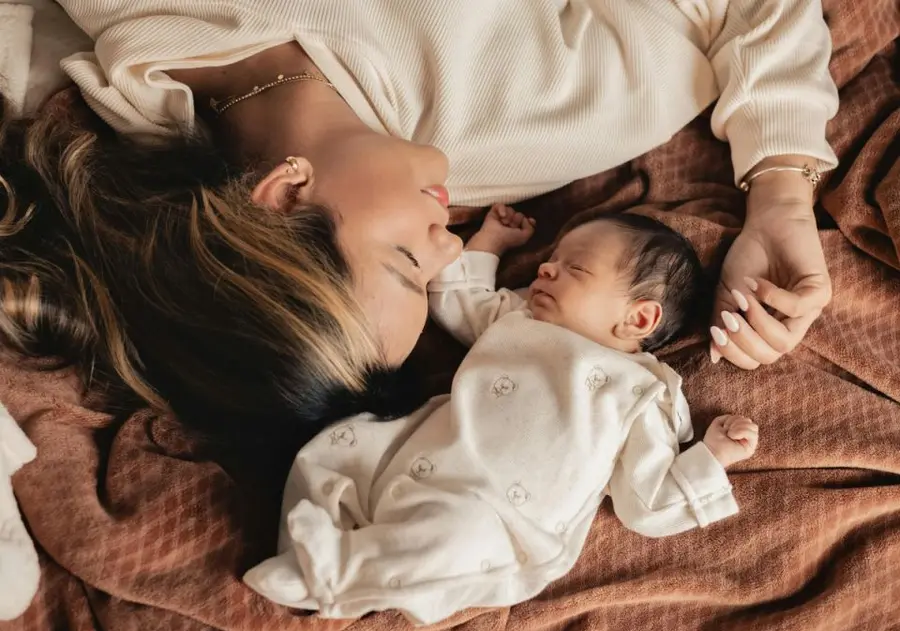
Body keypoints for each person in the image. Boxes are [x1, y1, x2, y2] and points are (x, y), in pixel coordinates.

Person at [2, 0, 837, 434]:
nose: (450, 251)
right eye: (435, 275)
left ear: (284, 195)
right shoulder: (523, 117)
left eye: (406, 261)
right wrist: (782, 194)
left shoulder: (141, 39)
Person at [243, 206, 759, 624]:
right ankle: (299, 543)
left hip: (502, 517)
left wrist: (711, 457)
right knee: (338, 447)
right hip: (422, 447)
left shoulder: (643, 393)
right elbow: (457, 300)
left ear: (639, 317)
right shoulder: (521, 316)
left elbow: (645, 502)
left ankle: (331, 576)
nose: (546, 269)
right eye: (551, 260)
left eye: (575, 268)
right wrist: (491, 242)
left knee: (448, 540)